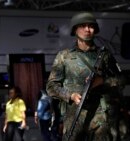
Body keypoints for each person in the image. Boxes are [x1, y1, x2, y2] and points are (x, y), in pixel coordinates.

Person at [46, 12, 123, 141]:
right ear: (75, 29)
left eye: (91, 26)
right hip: (73, 115)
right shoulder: (64, 56)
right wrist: (70, 96)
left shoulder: (104, 55)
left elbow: (121, 81)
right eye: (83, 26)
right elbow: (51, 86)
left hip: (100, 116)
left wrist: (103, 81)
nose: (87, 29)